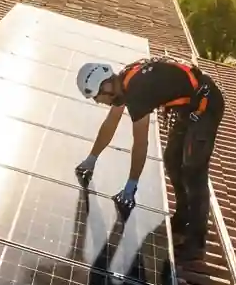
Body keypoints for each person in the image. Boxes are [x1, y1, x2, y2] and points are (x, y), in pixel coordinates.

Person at [74, 56, 226, 258]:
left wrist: (131, 187)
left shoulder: (138, 92)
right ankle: (182, 217)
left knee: (193, 171)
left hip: (205, 107)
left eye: (97, 97)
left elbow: (140, 143)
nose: (99, 102)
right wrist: (91, 159)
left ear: (106, 86)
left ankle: (196, 242)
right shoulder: (123, 82)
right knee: (172, 160)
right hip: (190, 109)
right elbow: (111, 122)